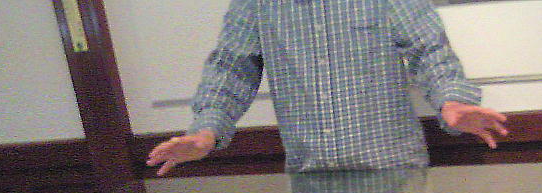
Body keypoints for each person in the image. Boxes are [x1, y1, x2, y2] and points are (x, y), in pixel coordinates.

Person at [147, 0, 508, 176]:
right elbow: (231, 68)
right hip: (311, 180)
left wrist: (451, 101)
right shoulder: (257, 3)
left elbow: (429, 49)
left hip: (395, 175)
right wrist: (206, 132)